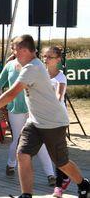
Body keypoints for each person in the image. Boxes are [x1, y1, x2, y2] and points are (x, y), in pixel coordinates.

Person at [0, 35, 90, 198]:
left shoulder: (32, 68)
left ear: (22, 50)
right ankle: (26, 195)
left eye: (14, 49)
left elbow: (11, 94)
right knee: (22, 154)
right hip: (35, 121)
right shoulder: (28, 65)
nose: (13, 53)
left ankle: (83, 184)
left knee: (61, 163)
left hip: (53, 122)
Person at [0, 41, 56, 186]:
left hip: (34, 110)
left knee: (40, 141)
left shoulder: (35, 65)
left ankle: (50, 174)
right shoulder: (10, 66)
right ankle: (11, 164)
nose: (14, 51)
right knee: (17, 139)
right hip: (16, 109)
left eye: (16, 48)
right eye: (13, 48)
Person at [42, 46, 71, 198]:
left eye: (50, 57)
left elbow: (59, 96)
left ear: (58, 59)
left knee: (57, 155)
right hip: (41, 119)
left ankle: (59, 187)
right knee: (24, 151)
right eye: (45, 56)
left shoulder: (61, 77)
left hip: (58, 120)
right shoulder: (41, 75)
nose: (46, 60)